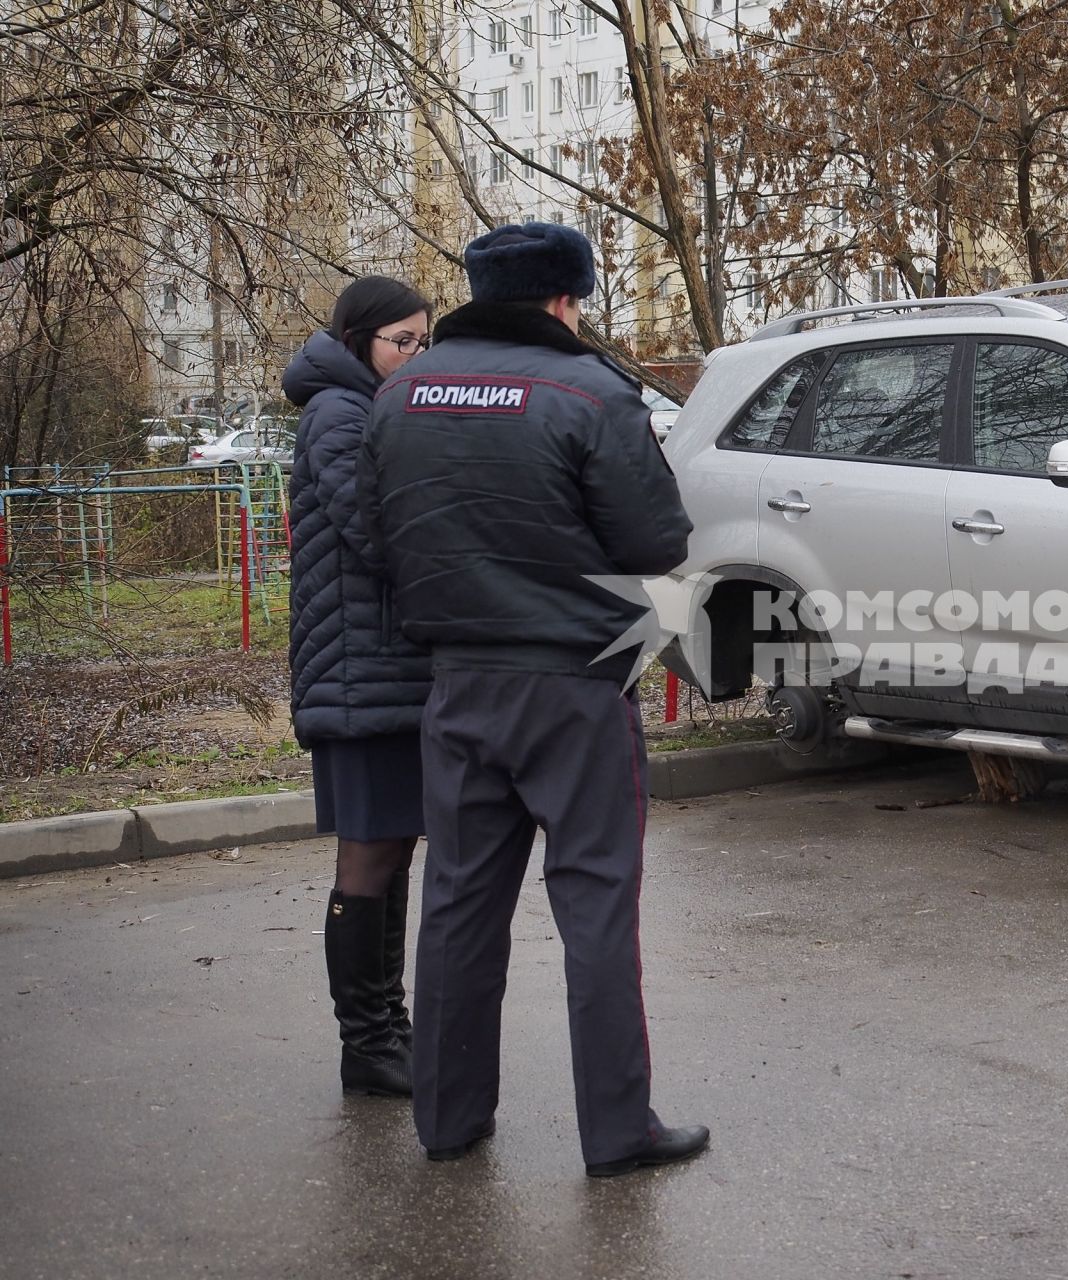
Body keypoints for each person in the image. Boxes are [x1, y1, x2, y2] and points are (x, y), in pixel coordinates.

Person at [359, 222, 705, 1176]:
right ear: (564, 300)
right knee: (595, 903)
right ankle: (618, 1130)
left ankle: (448, 1120)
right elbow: (656, 542)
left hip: (457, 688)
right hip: (573, 689)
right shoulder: (590, 392)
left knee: (460, 905)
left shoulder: (397, 396)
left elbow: (373, 537)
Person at [282, 276, 435, 1098]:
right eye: (400, 341)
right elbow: (377, 531)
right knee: (368, 857)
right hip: (358, 672)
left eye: (423, 340)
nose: (415, 354)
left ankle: (388, 1028)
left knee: (393, 847)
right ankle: (366, 1041)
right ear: (357, 341)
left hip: (383, 670)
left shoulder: (370, 407)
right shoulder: (340, 414)